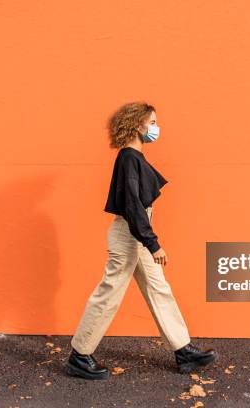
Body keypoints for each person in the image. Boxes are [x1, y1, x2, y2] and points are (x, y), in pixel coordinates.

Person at [65, 101, 218, 380]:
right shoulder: (127, 157)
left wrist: (148, 239)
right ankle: (80, 355)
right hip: (130, 234)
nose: (155, 128)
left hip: (138, 231)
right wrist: (153, 243)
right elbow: (133, 206)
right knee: (109, 292)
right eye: (152, 123)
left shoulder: (136, 156)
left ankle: (183, 350)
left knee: (159, 289)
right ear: (138, 125)